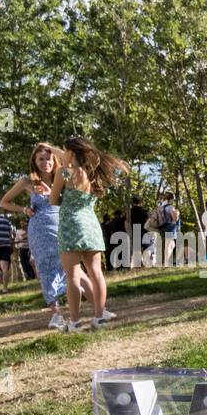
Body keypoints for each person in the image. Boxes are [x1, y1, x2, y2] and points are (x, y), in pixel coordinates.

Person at [51, 136, 127, 333]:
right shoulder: (93, 175)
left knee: (73, 276)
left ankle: (75, 322)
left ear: (70, 152)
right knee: (96, 273)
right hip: (91, 226)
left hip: (70, 226)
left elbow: (53, 200)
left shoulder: (64, 173)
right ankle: (99, 317)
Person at [0, 143, 73, 328]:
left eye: (48, 158)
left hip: (62, 227)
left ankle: (75, 309)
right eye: (40, 158)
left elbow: (69, 161)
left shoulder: (62, 175)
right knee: (45, 267)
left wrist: (48, 147)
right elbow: (4, 202)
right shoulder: (28, 181)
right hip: (39, 231)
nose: (45, 162)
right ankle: (55, 312)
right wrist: (23, 209)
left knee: (68, 265)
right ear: (34, 161)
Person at [128, 195, 150, 267]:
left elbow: (126, 223)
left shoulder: (129, 212)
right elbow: (148, 221)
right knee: (146, 247)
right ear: (140, 202)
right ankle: (146, 262)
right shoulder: (144, 211)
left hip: (135, 230)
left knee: (137, 249)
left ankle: (139, 263)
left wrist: (128, 232)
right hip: (144, 230)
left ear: (133, 202)